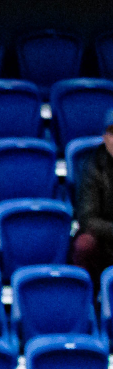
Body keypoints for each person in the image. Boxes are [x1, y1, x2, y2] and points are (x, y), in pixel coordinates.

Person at [70, 111, 113, 286]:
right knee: (84, 244)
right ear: (104, 137)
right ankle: (87, 301)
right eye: (112, 133)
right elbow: (88, 219)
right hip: (104, 240)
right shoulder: (92, 166)